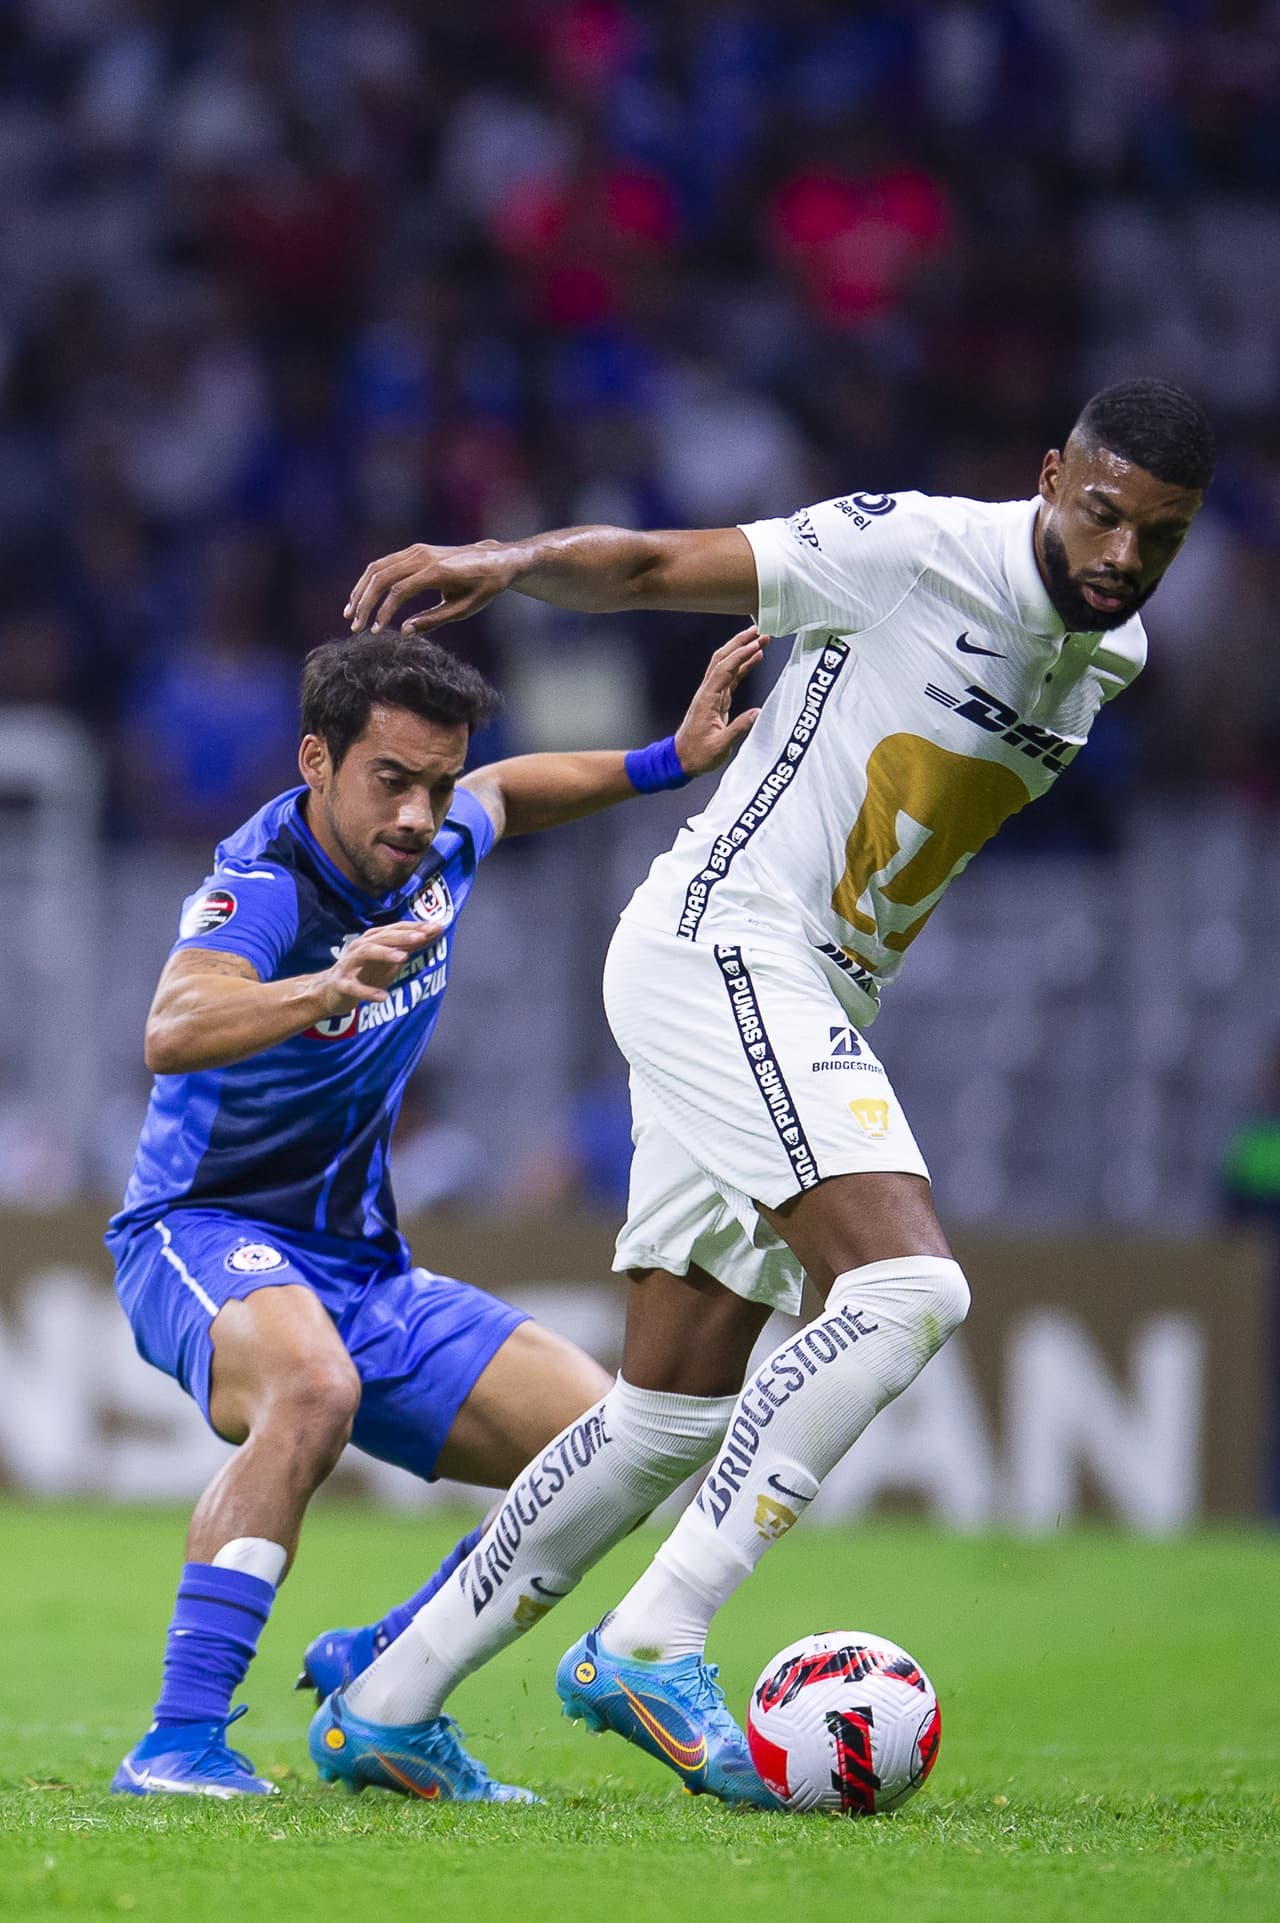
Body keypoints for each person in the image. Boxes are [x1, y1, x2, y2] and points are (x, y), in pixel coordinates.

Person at [318, 377, 1213, 1808]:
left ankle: (387, 1696)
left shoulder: (1113, 653)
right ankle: (652, 1636)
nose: (1118, 554)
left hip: (801, 990)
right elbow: (665, 564)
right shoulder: (920, 547)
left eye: (1156, 536)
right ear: (1052, 476)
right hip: (727, 946)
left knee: (665, 1414)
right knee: (910, 1291)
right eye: (1100, 512)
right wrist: (508, 563)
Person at [106, 621, 766, 1800]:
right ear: (316, 762)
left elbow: (509, 793)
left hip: (361, 1267)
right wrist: (323, 982)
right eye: (389, 780)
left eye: (434, 781)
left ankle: (385, 1677)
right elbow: (173, 1026)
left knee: (610, 1449)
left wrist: (665, 761)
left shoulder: (440, 838)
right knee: (310, 1390)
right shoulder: (262, 885)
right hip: (199, 1232)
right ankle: (179, 1741)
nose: (417, 812)